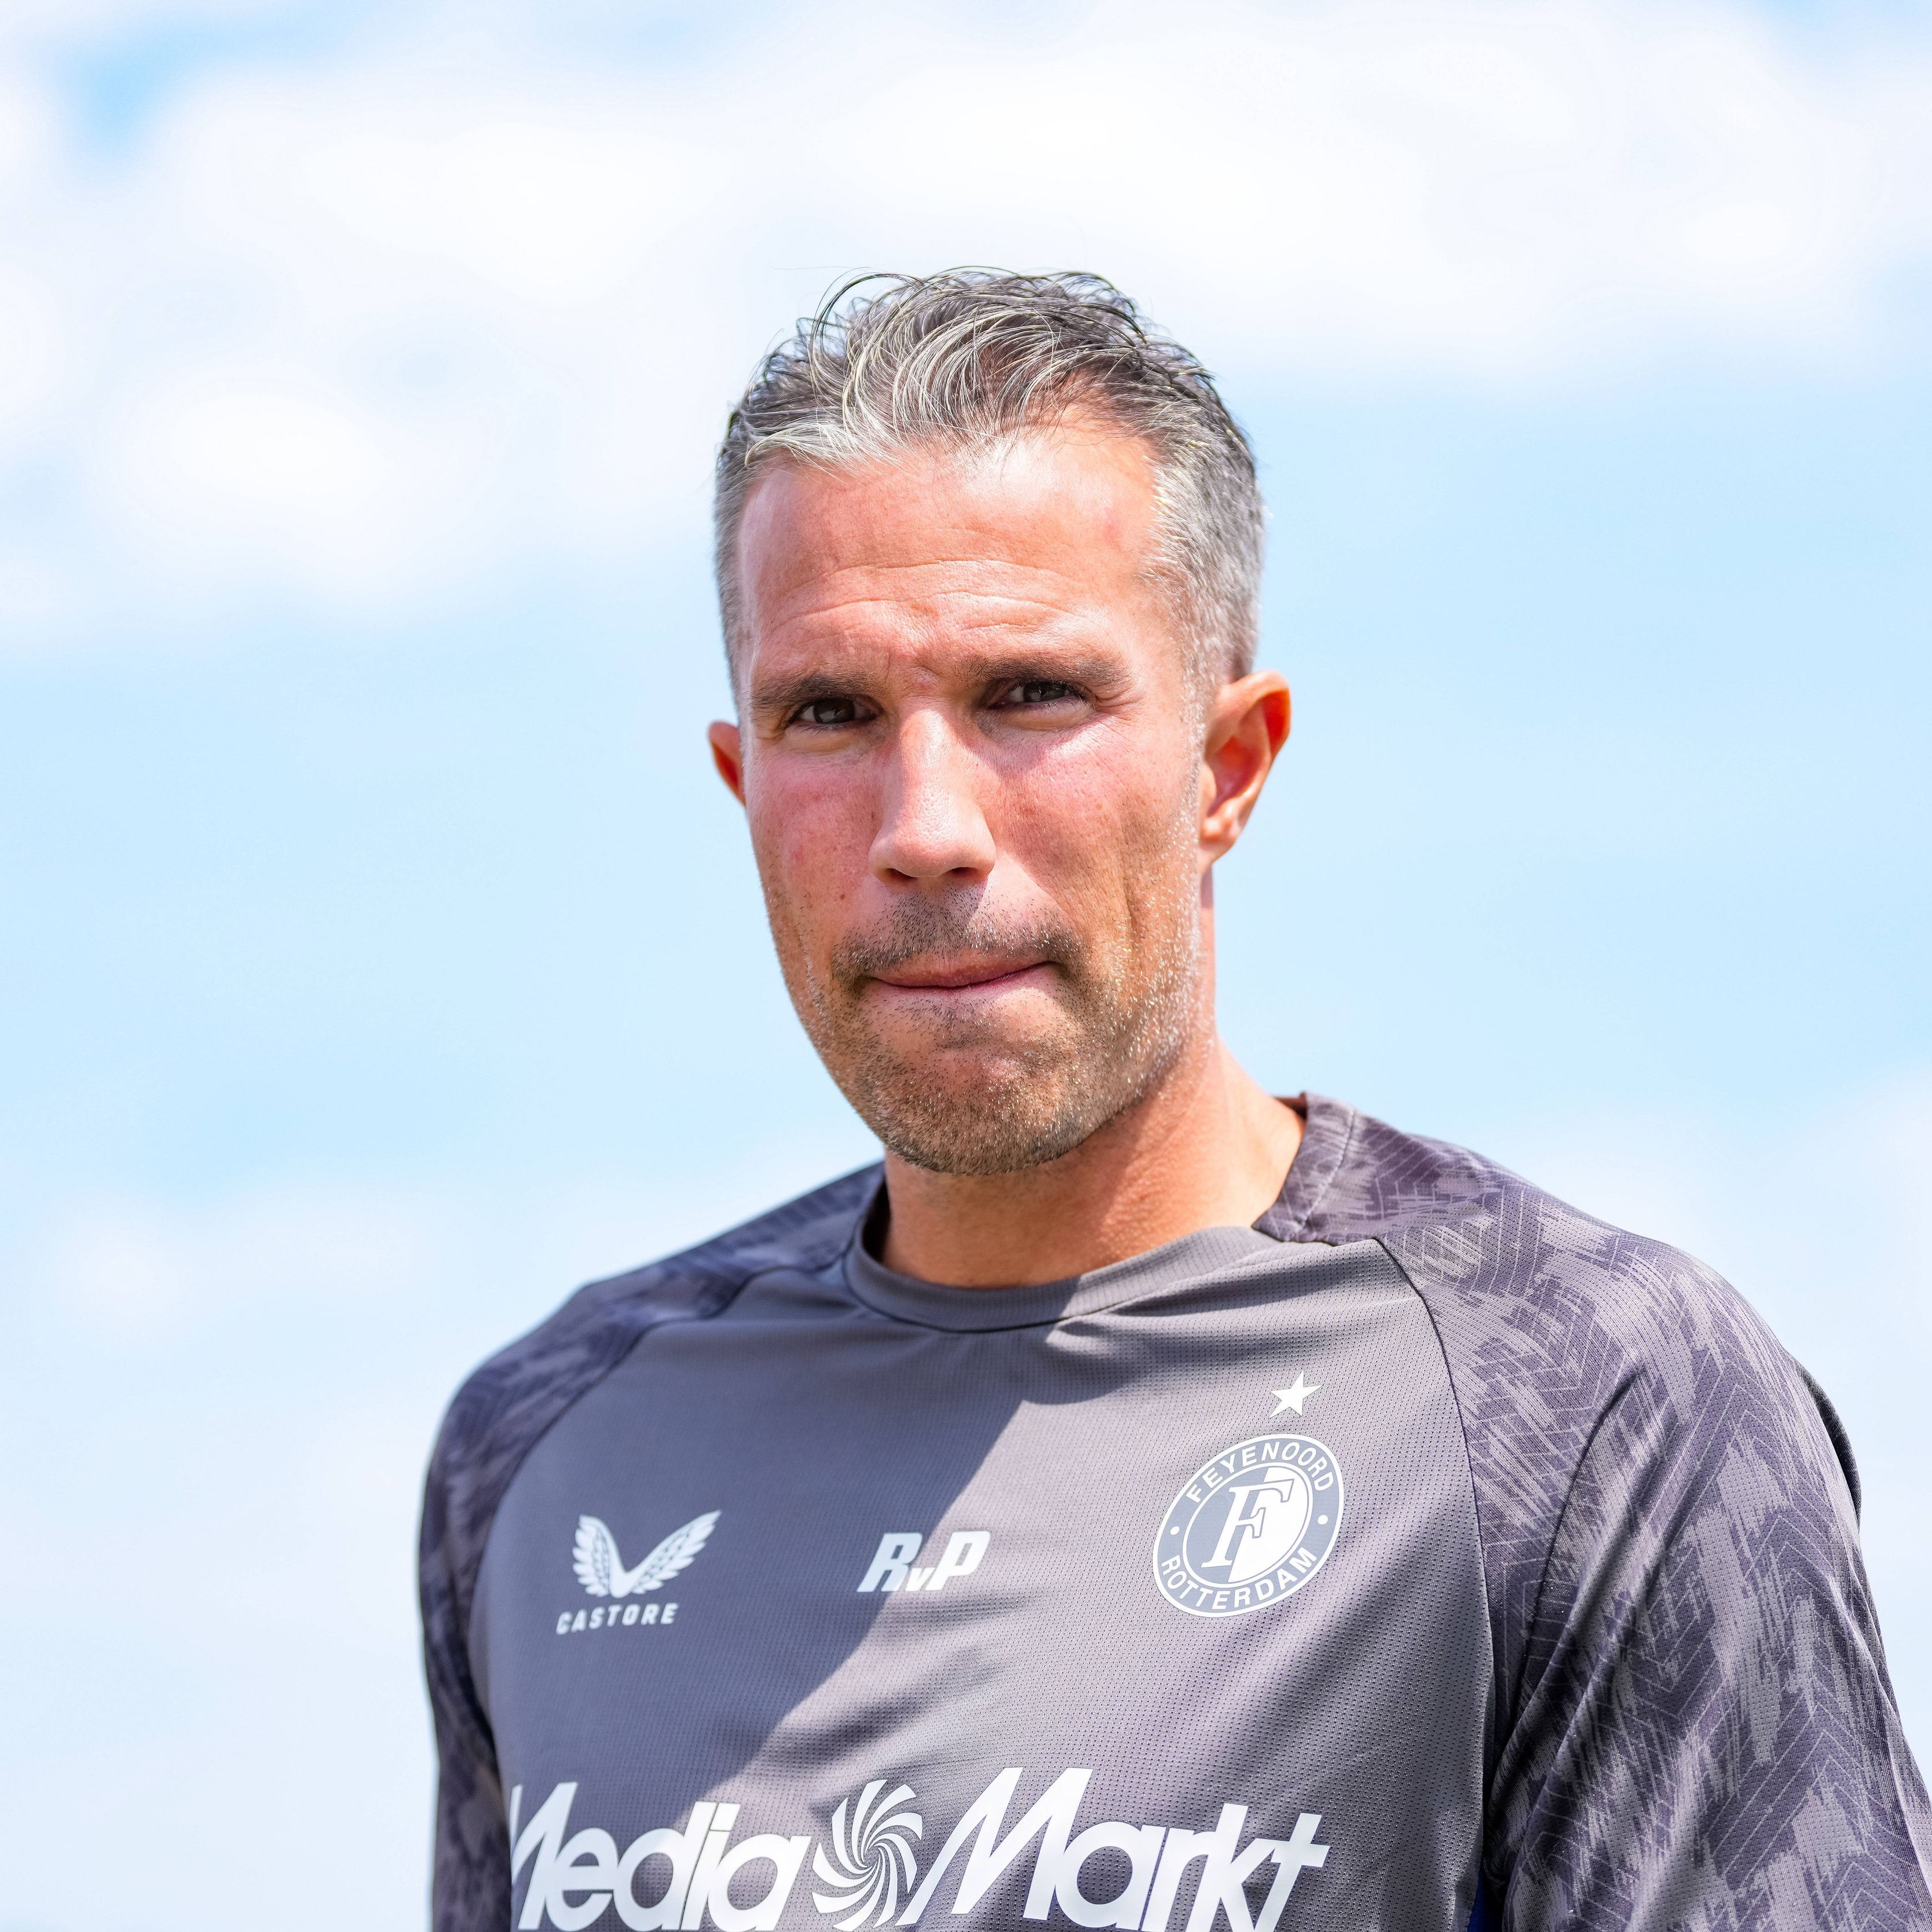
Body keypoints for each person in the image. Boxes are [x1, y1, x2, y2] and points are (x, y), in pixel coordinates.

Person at [419, 272, 1930, 1932]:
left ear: (1229, 768)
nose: (925, 827)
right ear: (743, 785)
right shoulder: (550, 1444)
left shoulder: (1582, 1404)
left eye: (1031, 697)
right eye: (830, 715)